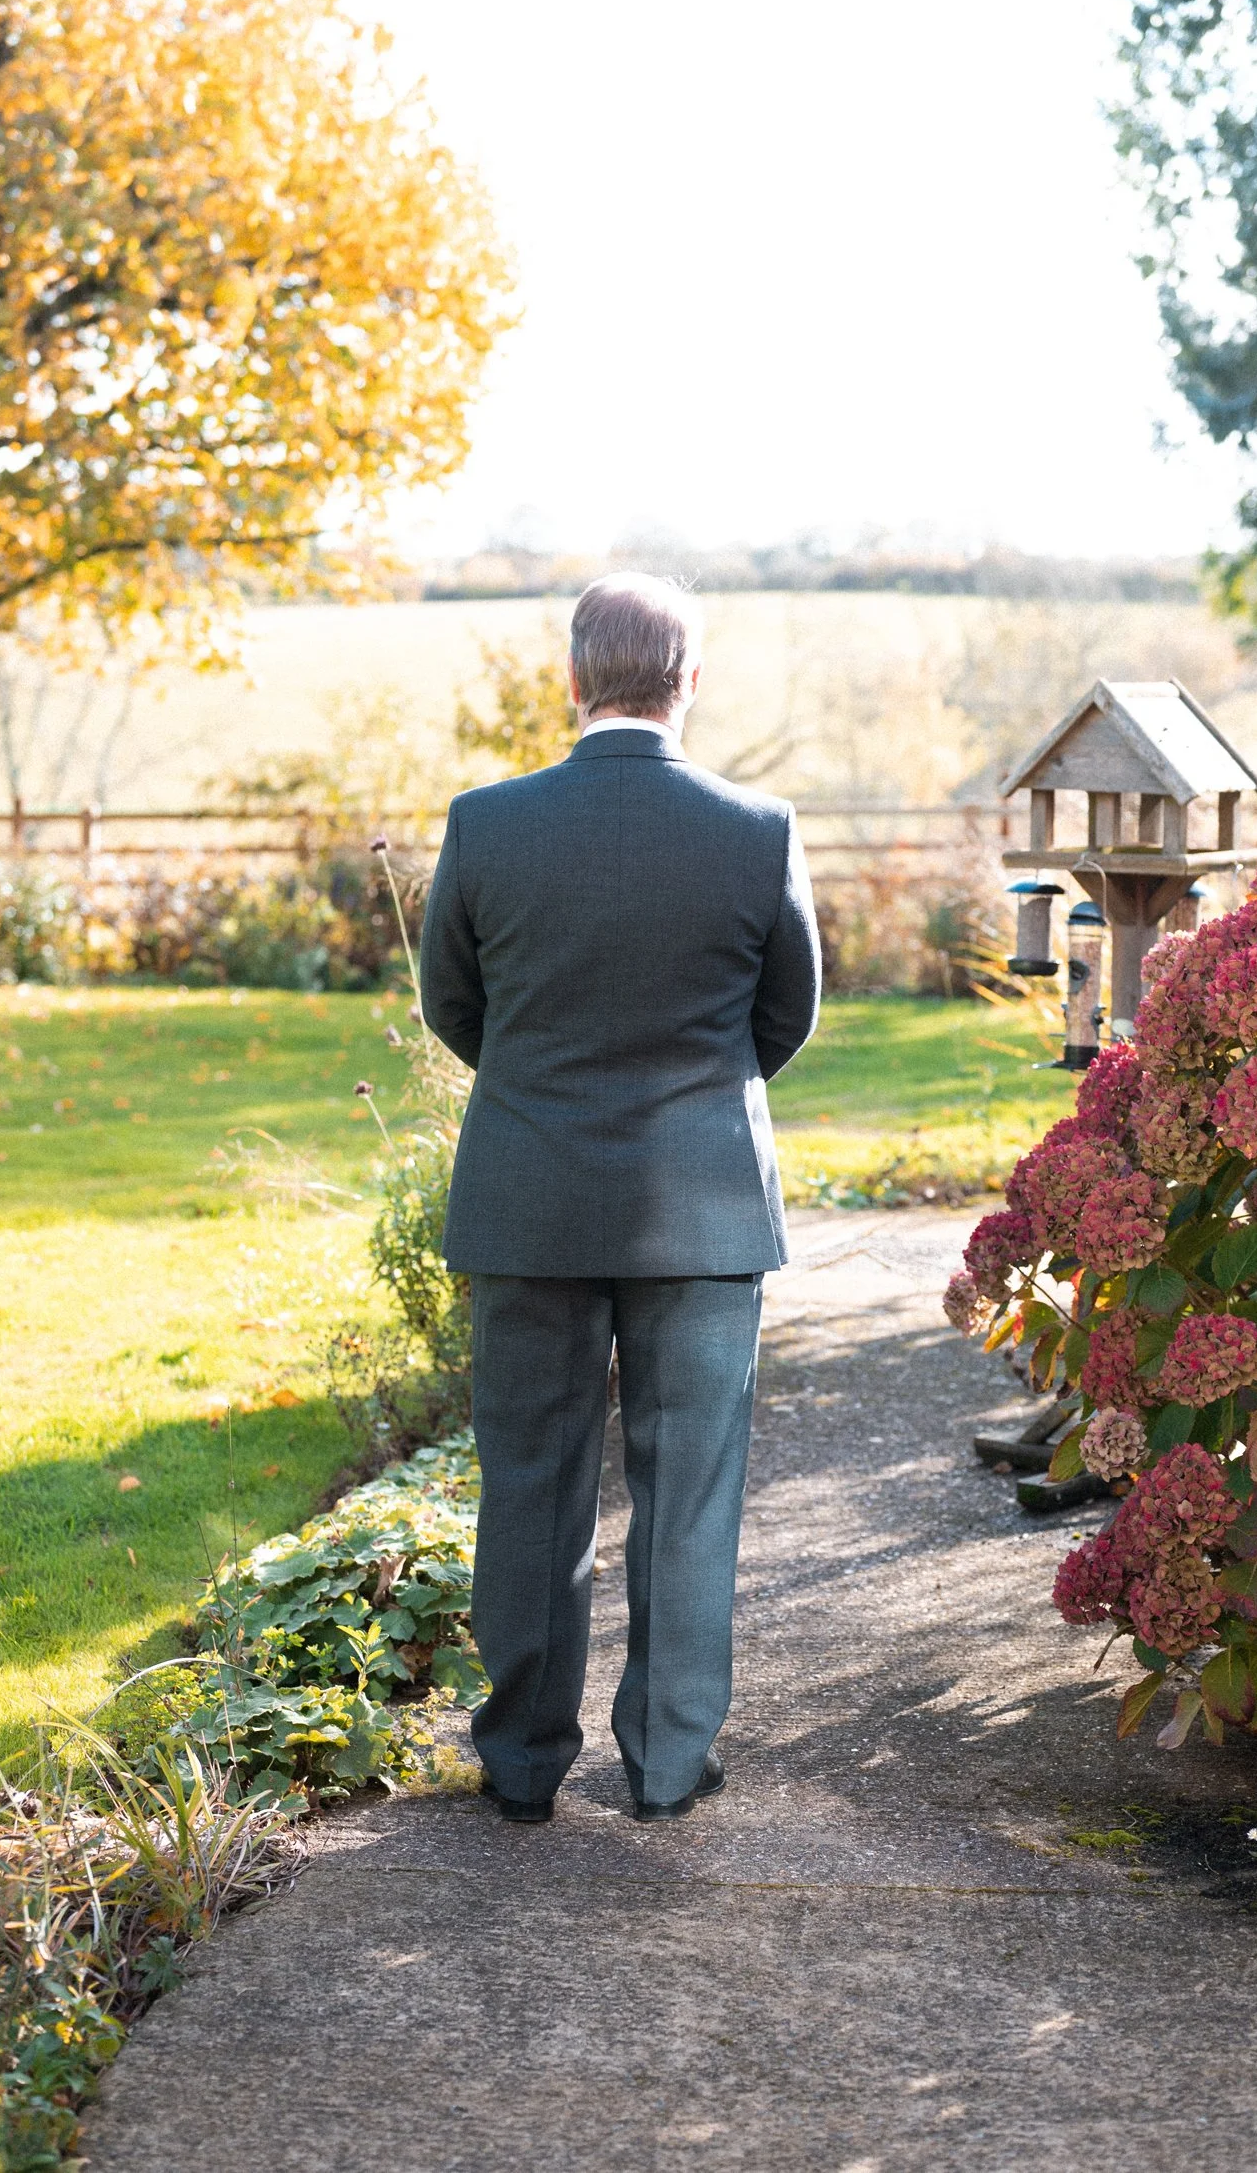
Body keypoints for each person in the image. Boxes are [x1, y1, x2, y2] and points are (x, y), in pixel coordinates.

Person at [419, 571, 820, 1823]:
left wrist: (542, 1090)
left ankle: (524, 1760)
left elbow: (453, 1006)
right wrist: (699, 1101)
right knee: (688, 1490)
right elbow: (784, 1013)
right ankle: (665, 1761)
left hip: (528, 1199)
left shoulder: (487, 822)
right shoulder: (756, 830)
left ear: (573, 679)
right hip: (700, 1213)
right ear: (688, 679)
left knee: (530, 1480)